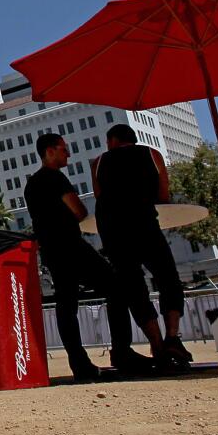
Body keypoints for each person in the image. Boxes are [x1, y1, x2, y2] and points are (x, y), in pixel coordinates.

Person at [23, 134, 155, 381]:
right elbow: (79, 210)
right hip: (71, 245)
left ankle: (79, 362)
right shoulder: (55, 178)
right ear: (49, 151)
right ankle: (122, 351)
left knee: (66, 304)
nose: (68, 154)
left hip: (51, 250)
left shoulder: (31, 185)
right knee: (116, 288)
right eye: (63, 149)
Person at [92, 123, 192, 369]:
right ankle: (172, 337)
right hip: (144, 224)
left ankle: (157, 344)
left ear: (113, 140)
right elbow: (164, 194)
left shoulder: (99, 163)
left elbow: (99, 195)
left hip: (113, 231)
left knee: (134, 288)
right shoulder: (152, 155)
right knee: (168, 279)